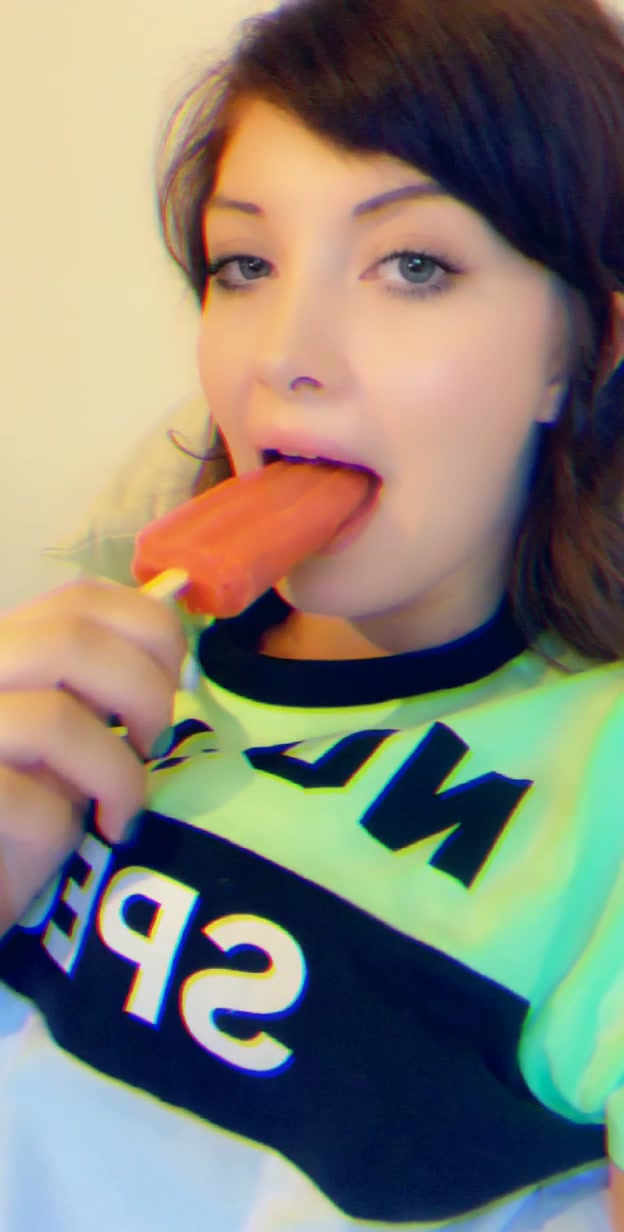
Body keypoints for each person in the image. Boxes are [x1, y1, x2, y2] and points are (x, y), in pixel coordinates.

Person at [1, 0, 624, 1227]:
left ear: (584, 350)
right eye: (245, 265)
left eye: (414, 266)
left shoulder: (598, 785)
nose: (286, 354)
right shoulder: (91, 664)